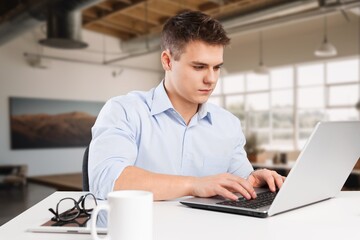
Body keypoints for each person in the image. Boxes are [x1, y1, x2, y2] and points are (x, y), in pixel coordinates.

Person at [89, 11, 285, 201]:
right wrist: (194, 185)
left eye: (216, 67)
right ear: (167, 61)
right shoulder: (124, 111)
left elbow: (238, 182)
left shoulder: (228, 124)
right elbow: (107, 179)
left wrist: (253, 180)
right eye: (199, 67)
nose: (211, 79)